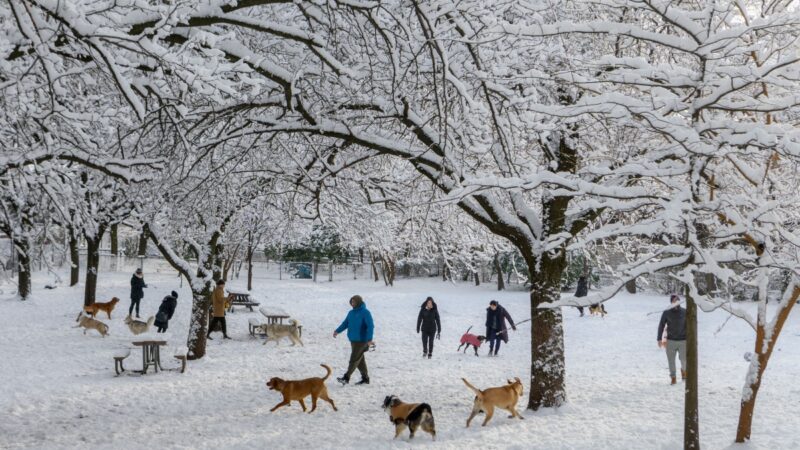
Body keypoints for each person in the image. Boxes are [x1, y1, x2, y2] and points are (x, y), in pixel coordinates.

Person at [334, 295, 374, 385]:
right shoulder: (351, 313)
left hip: (362, 341)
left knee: (353, 359)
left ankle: (346, 377)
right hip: (353, 340)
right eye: (351, 302)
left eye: (354, 302)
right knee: (359, 360)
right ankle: (365, 378)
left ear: (359, 302)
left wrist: (369, 339)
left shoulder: (365, 312)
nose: (352, 303)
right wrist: (337, 331)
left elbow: (370, 326)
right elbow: (345, 323)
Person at [657, 294, 687, 385]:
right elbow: (661, 325)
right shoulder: (667, 312)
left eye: (677, 300)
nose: (676, 302)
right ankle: (673, 377)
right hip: (670, 341)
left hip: (683, 341)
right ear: (671, 302)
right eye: (674, 300)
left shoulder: (685, 312)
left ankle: (684, 371)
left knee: (684, 360)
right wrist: (659, 339)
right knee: (671, 361)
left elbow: (690, 325)